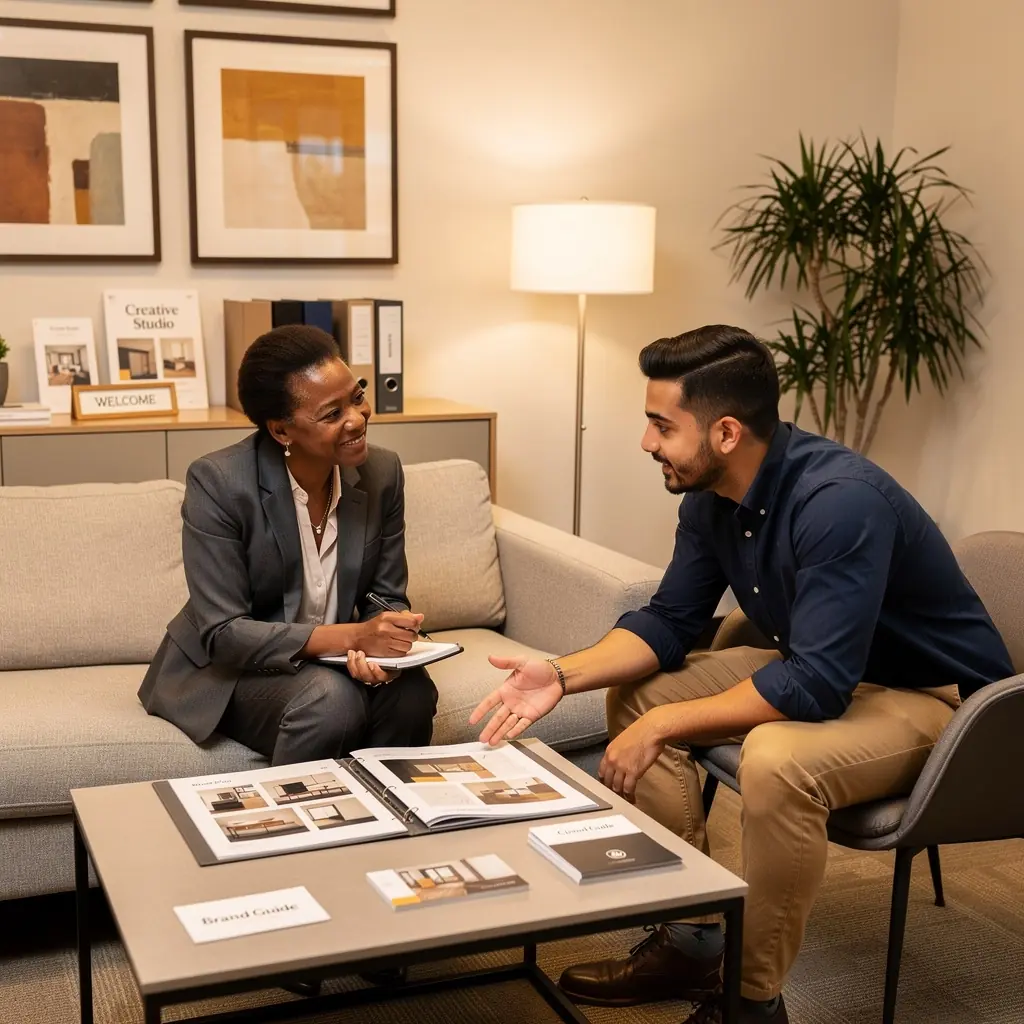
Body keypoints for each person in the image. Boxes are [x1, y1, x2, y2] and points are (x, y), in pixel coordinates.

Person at [469, 325, 1013, 1024]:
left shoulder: (838, 501)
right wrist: (561, 674)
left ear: (725, 432)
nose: (646, 443)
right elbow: (669, 620)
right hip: (828, 668)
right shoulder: (709, 495)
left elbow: (815, 685)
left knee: (778, 762)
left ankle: (751, 1004)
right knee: (639, 696)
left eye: (660, 425)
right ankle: (693, 941)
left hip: (934, 700)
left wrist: (669, 725)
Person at [139, 324, 438, 765]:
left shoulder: (382, 473)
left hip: (330, 664)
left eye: (356, 398)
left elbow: (383, 594)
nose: (357, 419)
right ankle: (297, 825)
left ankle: (387, 821)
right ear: (282, 431)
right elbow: (223, 633)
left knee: (411, 693)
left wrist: (380, 640)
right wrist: (349, 636)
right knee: (330, 700)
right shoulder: (220, 482)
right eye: (331, 414)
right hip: (233, 671)